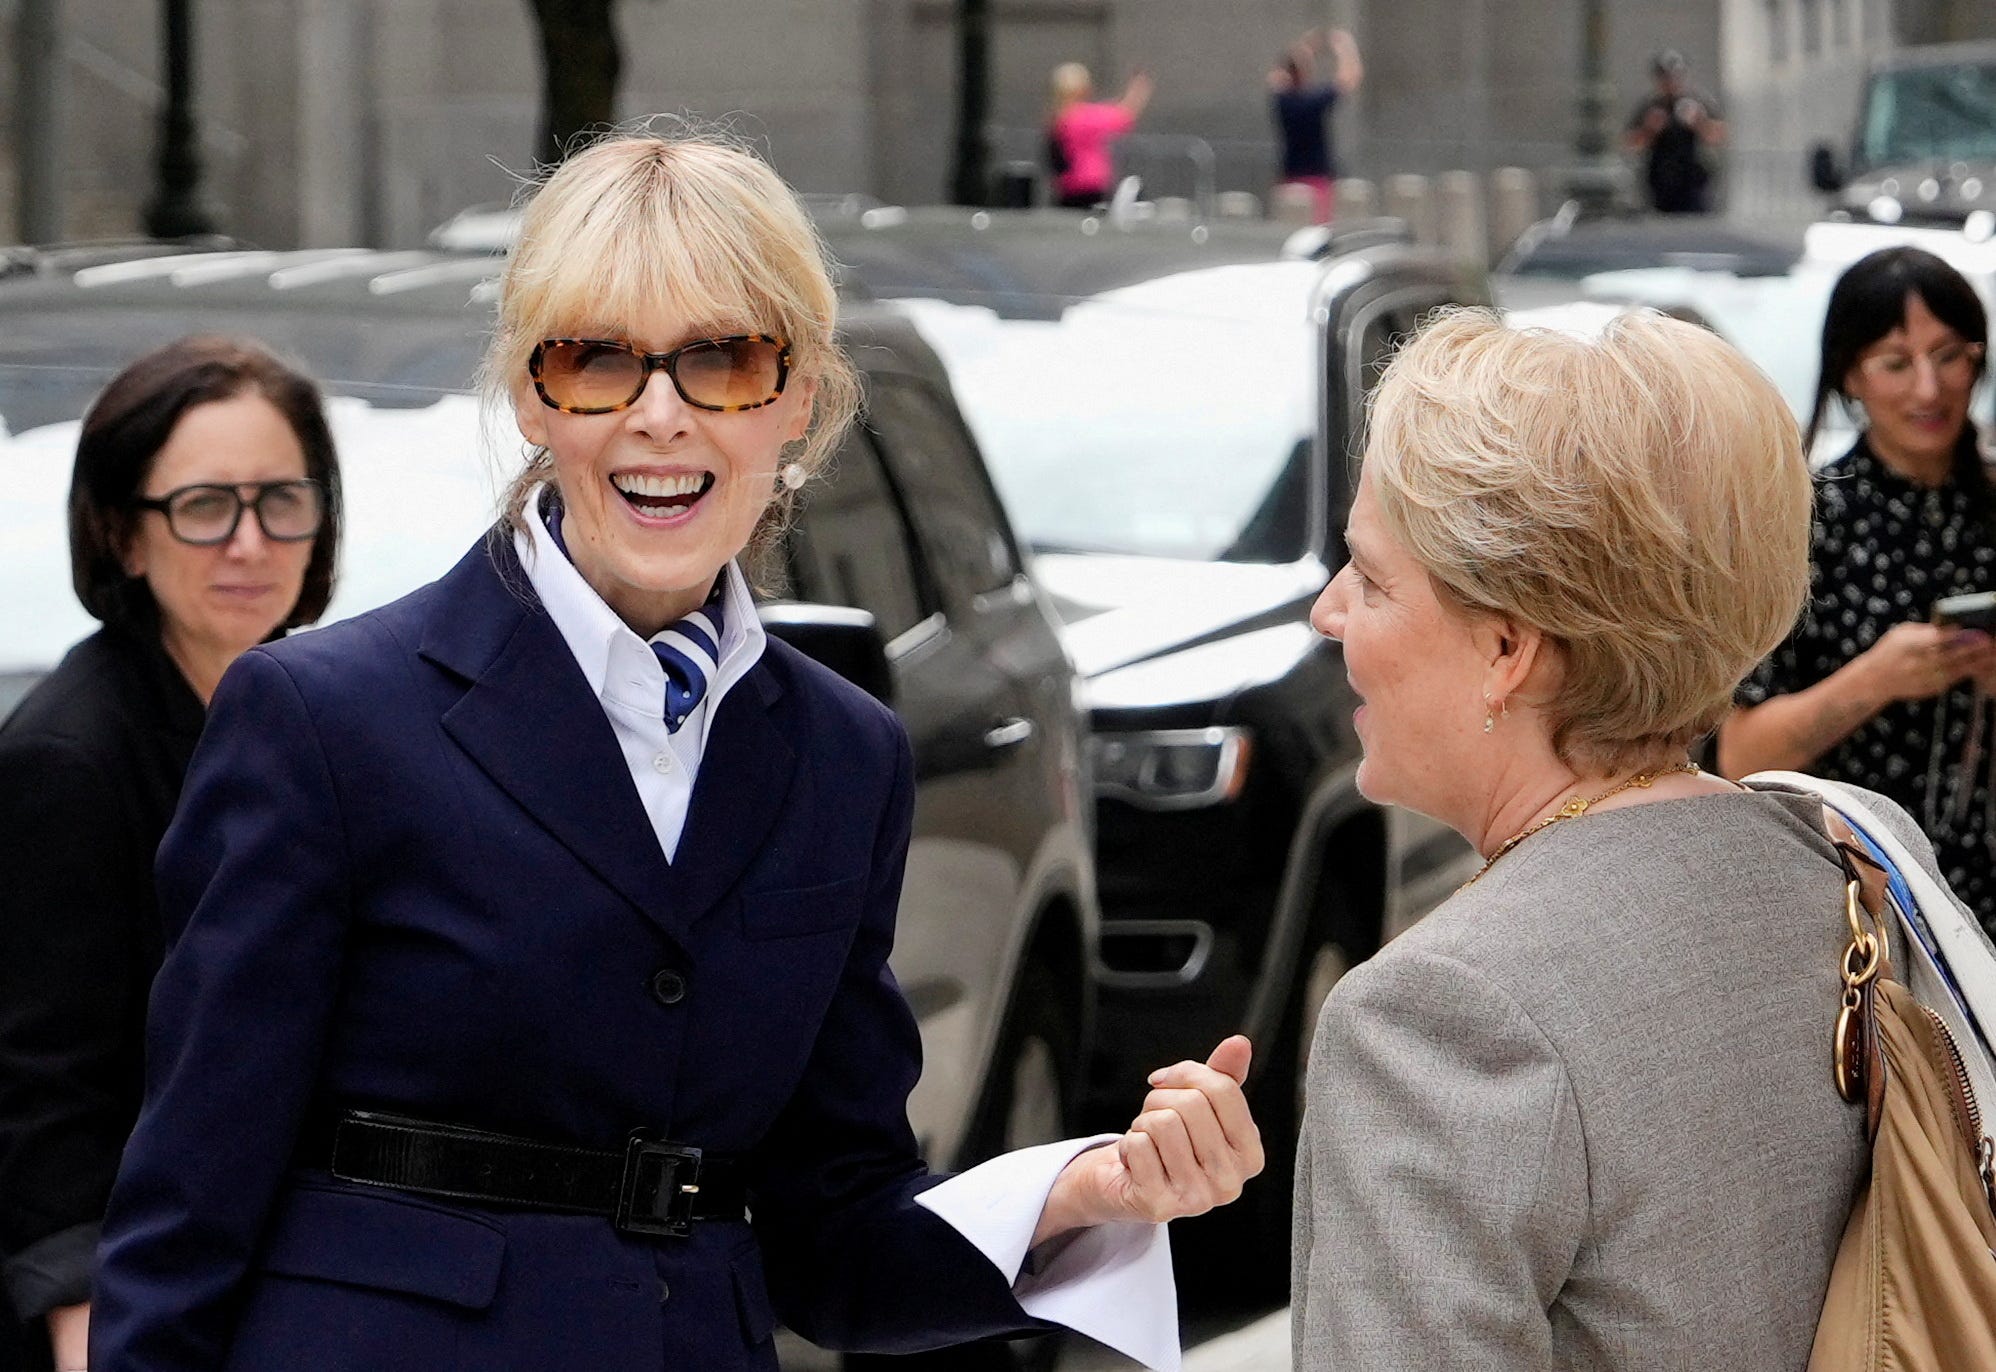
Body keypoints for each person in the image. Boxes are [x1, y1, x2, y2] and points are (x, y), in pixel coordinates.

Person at [88, 129, 1261, 1372]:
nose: (659, 416)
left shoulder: (843, 756)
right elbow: (185, 1213)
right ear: (537, 397)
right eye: (597, 362)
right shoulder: (320, 718)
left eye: (723, 362)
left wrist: (1082, 1195)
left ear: (797, 399)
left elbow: (833, 1232)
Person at [1293, 308, 1918, 1367]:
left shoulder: (1438, 1015)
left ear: (1506, 648)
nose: (1327, 611)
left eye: (1370, 577)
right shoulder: (1849, 855)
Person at [0, 337, 342, 1372]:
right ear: (123, 535)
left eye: (280, 500)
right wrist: (82, 1324)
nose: (249, 543)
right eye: (204, 507)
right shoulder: (69, 758)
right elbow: (42, 1090)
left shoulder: (319, 718)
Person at [1720, 247, 1996, 938]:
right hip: (1859, 903)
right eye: (1897, 363)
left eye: (1951, 355)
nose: (1929, 389)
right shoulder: (1806, 521)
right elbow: (1744, 755)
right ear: (1851, 374)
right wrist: (1876, 679)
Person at [1268, 28, 1362, 224]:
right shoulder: (1314, 101)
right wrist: (1345, 47)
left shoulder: (1281, 100)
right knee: (1318, 231)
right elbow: (1350, 77)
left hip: (1290, 178)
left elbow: (1278, 74)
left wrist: (1307, 45)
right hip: (1317, 178)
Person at [1623, 49, 1724, 214]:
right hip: (1661, 184)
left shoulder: (1698, 102)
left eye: (1675, 76)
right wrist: (1650, 129)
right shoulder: (1650, 106)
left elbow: (1718, 137)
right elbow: (1631, 144)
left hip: (1693, 182)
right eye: (1665, 77)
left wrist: (1698, 123)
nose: (1670, 82)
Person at [1047, 62, 1153, 210]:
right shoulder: (1081, 118)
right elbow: (1125, 114)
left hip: (1066, 188)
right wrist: (1139, 88)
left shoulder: (1058, 118)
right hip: (1091, 187)